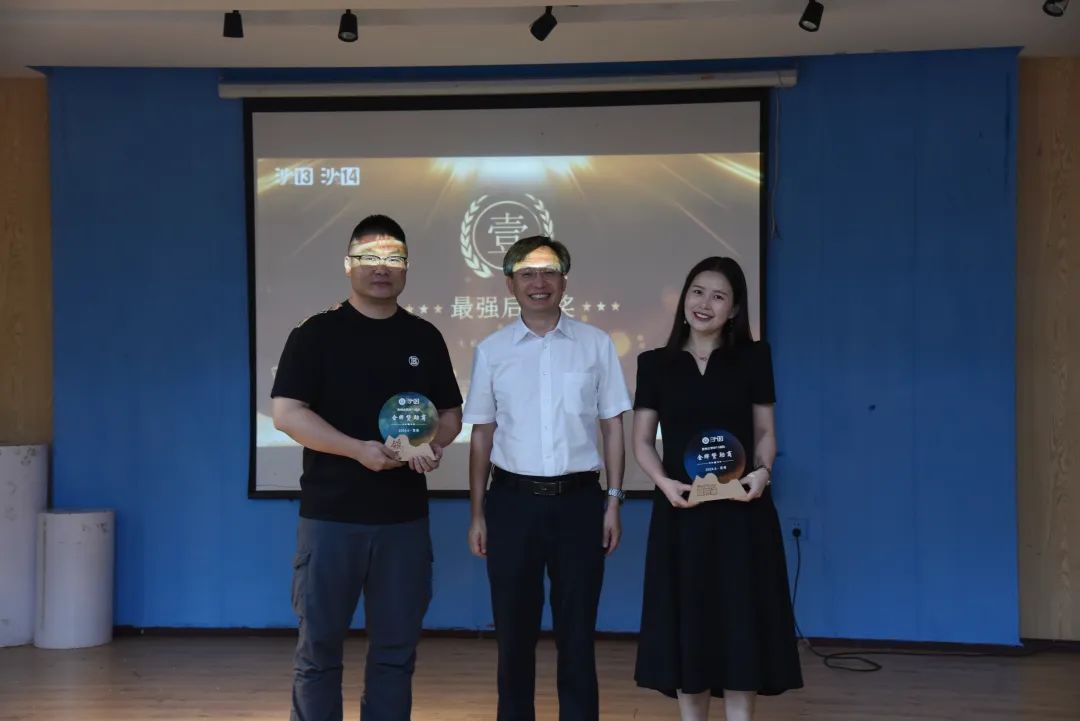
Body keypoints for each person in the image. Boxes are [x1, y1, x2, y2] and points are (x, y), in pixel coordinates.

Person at [271, 214, 463, 721]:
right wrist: (357, 450)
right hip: (331, 517)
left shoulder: (424, 336)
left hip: (403, 521)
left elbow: (450, 416)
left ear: (407, 267)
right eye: (370, 257)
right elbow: (287, 414)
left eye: (394, 258)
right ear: (348, 264)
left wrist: (432, 443)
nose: (382, 268)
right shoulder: (315, 334)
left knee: (396, 654)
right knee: (318, 652)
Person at [464, 235, 632, 721]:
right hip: (511, 504)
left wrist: (614, 501)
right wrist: (477, 513)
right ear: (510, 284)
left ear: (564, 281)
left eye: (549, 272)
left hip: (580, 504)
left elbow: (612, 426)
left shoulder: (596, 344)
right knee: (513, 635)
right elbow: (481, 436)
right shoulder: (492, 350)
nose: (539, 282)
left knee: (577, 634)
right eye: (527, 274)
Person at [632, 256, 802, 721]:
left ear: (734, 309)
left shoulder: (753, 358)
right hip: (681, 512)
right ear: (684, 298)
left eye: (719, 296)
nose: (705, 303)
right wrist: (663, 483)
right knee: (690, 627)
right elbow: (642, 441)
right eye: (697, 291)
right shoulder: (655, 364)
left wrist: (762, 473)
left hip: (743, 511)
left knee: (741, 625)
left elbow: (765, 432)